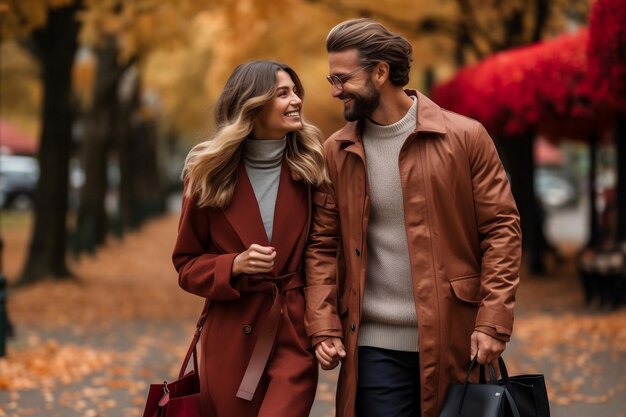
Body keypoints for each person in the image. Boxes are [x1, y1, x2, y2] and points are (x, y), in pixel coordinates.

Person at [304, 18, 522, 417]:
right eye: (330, 78)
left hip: (455, 341)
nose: (334, 91)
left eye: (342, 78)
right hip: (372, 349)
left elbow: (502, 231)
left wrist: (492, 321)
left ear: (381, 72)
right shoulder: (335, 152)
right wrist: (324, 324)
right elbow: (322, 245)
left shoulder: (465, 137)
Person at [173, 60, 327, 417]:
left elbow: (326, 252)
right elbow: (185, 265)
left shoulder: (312, 168)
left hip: (292, 329)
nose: (297, 100)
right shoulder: (208, 175)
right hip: (230, 337)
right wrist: (234, 264)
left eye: (296, 91)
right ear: (252, 104)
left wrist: (325, 324)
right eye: (282, 93)